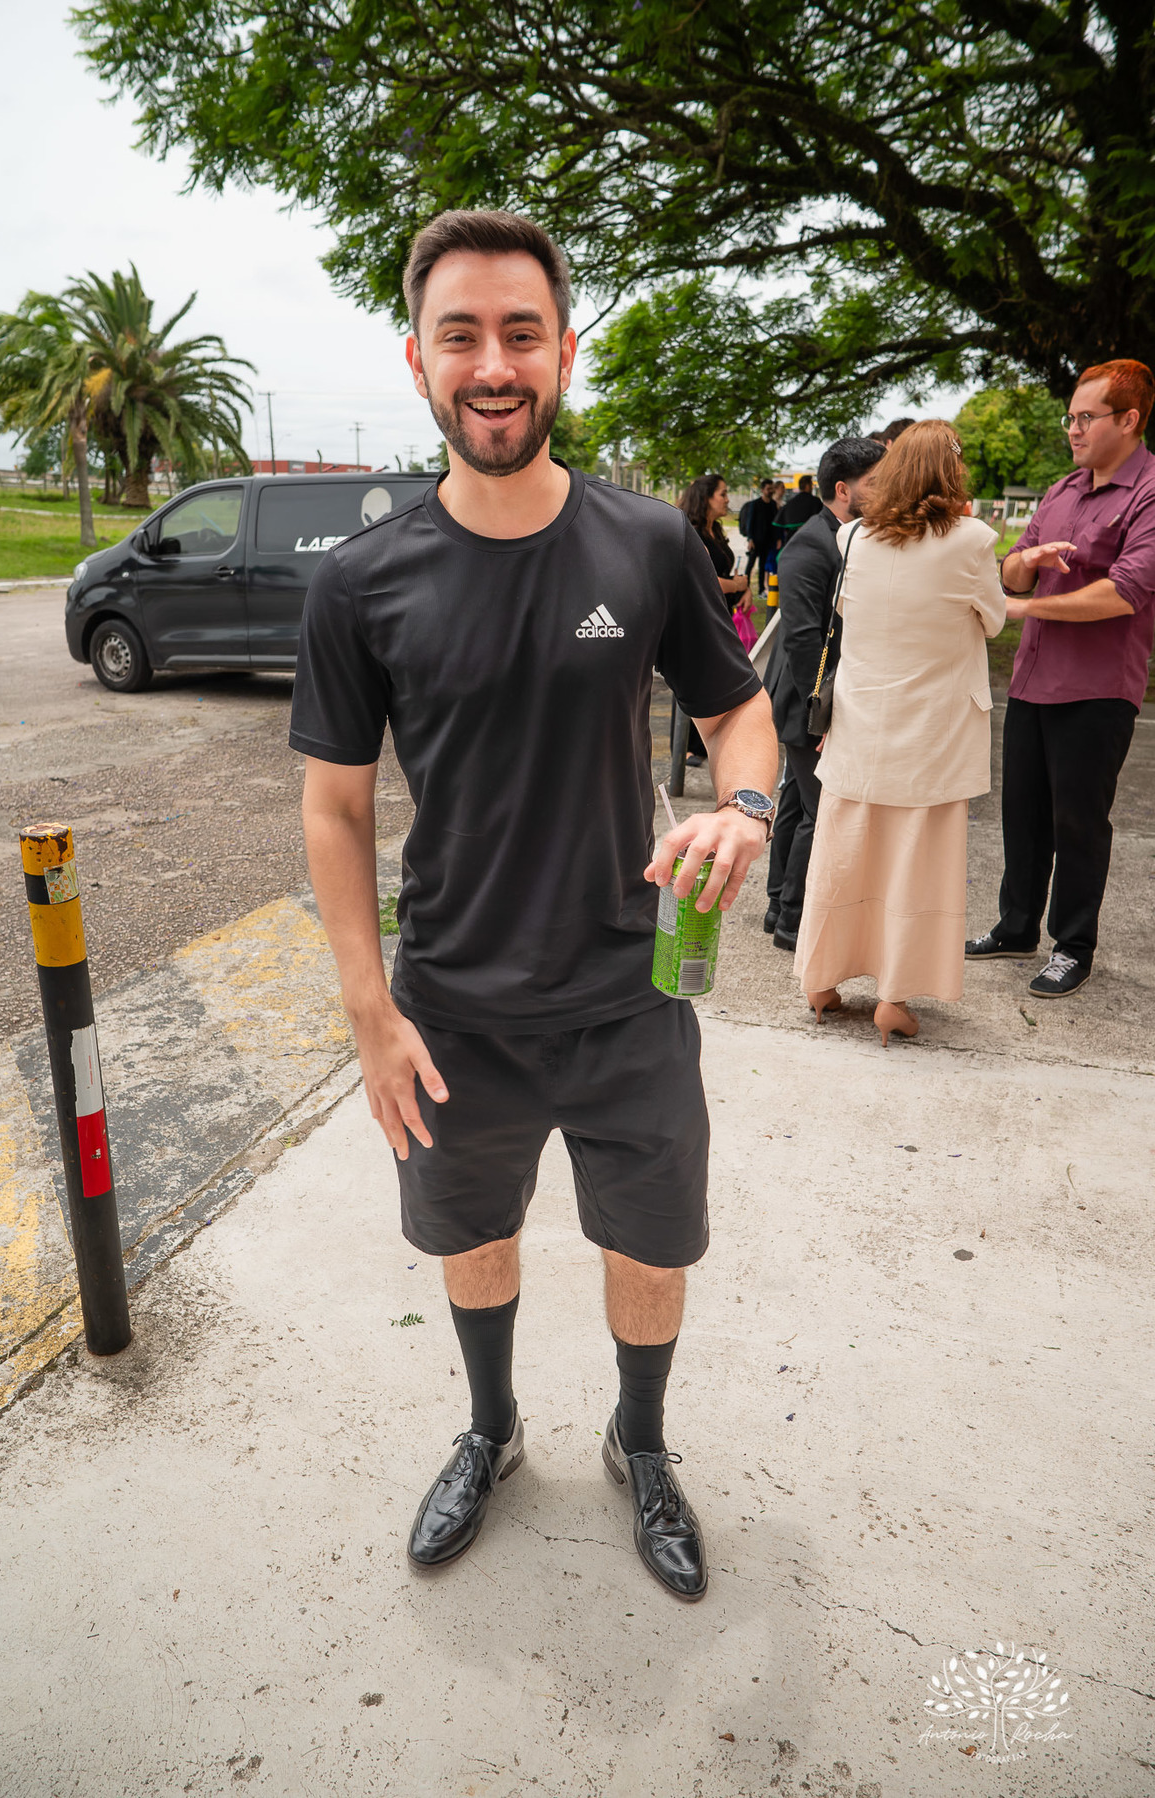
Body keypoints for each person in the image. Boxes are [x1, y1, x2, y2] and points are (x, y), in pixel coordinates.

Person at [290, 207, 779, 1601]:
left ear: (564, 353)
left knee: (648, 1242)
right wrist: (369, 1009)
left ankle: (641, 1441)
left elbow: (745, 719)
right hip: (453, 1010)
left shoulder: (642, 546)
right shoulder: (360, 583)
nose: (493, 364)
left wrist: (741, 811)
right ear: (418, 360)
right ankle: (492, 1430)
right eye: (462, 335)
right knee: (475, 1235)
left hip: (633, 997)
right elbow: (332, 806)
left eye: (521, 333)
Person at [793, 421, 1006, 1044]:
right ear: (951, 473)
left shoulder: (854, 534)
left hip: (861, 722)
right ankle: (892, 996)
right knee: (917, 859)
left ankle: (822, 982)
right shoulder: (972, 540)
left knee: (843, 851)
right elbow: (993, 621)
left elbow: (848, 617)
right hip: (933, 731)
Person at [966, 359, 1155, 997]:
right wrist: (1027, 561)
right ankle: (1017, 927)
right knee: (1022, 814)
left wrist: (1024, 604)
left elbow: (1126, 592)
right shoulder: (1062, 489)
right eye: (1069, 417)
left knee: (1079, 820)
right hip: (1032, 679)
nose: (1071, 428)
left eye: (1085, 417)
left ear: (1128, 420)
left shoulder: (1149, 491)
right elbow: (1012, 571)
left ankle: (1072, 945)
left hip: (1097, 688)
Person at [762, 437, 886, 951]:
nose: (886, 493)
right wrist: (823, 716)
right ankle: (793, 921)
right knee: (820, 811)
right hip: (804, 697)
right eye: (875, 484)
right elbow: (802, 638)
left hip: (809, 696)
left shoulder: (844, 536)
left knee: (794, 802)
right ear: (843, 490)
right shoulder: (813, 544)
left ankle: (775, 905)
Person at [678, 474, 752, 763]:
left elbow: (723, 573)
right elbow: (705, 579)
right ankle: (688, 747)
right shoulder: (692, 532)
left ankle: (706, 743)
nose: (727, 499)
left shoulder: (716, 531)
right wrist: (736, 586)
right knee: (693, 681)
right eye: (722, 493)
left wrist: (742, 591)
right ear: (706, 498)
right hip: (697, 620)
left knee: (714, 681)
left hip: (722, 615)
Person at [739, 477, 777, 586]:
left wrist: (776, 539)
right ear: (762, 490)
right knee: (750, 565)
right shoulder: (755, 504)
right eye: (768, 489)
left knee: (763, 566)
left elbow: (774, 524)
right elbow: (750, 522)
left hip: (767, 541)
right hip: (755, 541)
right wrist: (750, 539)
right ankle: (745, 586)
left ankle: (761, 589)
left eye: (772, 489)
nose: (770, 491)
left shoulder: (773, 505)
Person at [772, 473, 823, 554]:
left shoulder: (791, 502)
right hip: (810, 539)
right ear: (807, 485)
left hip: (792, 539)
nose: (812, 486)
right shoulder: (815, 501)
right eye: (811, 484)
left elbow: (781, 522)